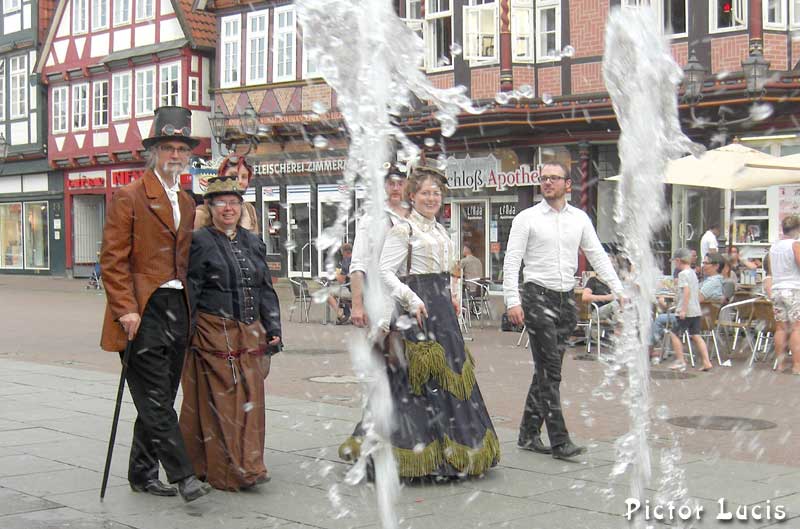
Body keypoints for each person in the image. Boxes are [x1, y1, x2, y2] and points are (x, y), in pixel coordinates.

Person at [340, 165, 500, 480]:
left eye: (436, 193)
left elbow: (453, 270)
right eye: (425, 192)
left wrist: (455, 296)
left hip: (441, 310)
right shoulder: (403, 230)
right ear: (413, 196)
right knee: (413, 380)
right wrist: (411, 298)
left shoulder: (442, 231)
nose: (431, 198)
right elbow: (385, 271)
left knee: (450, 375)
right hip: (415, 309)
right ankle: (413, 452)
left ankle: (453, 451)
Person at [99, 106, 211, 502]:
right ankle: (184, 476)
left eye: (182, 148)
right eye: (168, 148)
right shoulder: (129, 196)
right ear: (154, 152)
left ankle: (142, 473)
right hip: (141, 308)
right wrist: (125, 309)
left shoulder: (185, 200)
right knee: (154, 398)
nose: (176, 155)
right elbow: (113, 260)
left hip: (176, 306)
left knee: (160, 396)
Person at [503, 161, 623, 460]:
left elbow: (597, 254)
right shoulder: (526, 218)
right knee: (551, 373)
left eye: (554, 179)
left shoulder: (579, 218)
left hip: (566, 298)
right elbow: (512, 260)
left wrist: (619, 289)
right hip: (537, 295)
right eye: (544, 179)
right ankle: (559, 440)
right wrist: (511, 301)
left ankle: (528, 433)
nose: (548, 183)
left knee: (546, 370)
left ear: (568, 184)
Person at [179, 174, 282, 491]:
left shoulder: (253, 242)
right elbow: (190, 291)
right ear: (209, 207)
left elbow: (264, 288)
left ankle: (250, 464)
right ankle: (225, 470)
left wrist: (273, 327)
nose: (228, 208)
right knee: (224, 402)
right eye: (221, 202)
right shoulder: (199, 242)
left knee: (252, 399)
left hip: (250, 332)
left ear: (241, 206)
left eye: (234, 202)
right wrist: (187, 333)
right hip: (213, 331)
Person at [349, 165, 409, 328]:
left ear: (407, 185)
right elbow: (358, 263)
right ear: (384, 186)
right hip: (381, 300)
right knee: (383, 350)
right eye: (391, 183)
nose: (396, 188)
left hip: (412, 297)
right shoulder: (371, 219)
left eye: (400, 183)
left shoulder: (415, 217)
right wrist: (357, 305)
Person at [667, 248, 714, 372]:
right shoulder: (692, 273)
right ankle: (706, 361)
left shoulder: (682, 274)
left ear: (678, 260)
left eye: (675, 262)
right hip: (696, 309)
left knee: (674, 333)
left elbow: (686, 292)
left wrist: (682, 309)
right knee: (696, 335)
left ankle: (680, 361)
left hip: (686, 310)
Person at [765, 215, 800, 375]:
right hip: (793, 289)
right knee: (796, 328)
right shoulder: (795, 245)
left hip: (777, 289)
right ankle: (797, 365)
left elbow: (771, 271)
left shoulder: (774, 247)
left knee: (780, 328)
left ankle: (780, 364)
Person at [194, 155, 259, 233]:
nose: (239, 181)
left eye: (244, 177)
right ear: (221, 175)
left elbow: (256, 242)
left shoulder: (250, 209)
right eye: (233, 176)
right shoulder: (202, 213)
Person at [327, 243, 353, 324]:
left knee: (327, 293)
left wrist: (336, 274)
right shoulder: (356, 260)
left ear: (344, 252)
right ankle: (348, 314)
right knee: (340, 292)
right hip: (362, 290)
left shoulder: (346, 261)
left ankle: (340, 315)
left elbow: (341, 280)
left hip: (352, 292)